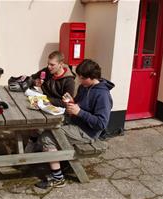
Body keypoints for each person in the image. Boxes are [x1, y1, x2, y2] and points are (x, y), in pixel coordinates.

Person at [35, 59, 114, 189]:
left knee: (47, 137)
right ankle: (60, 162)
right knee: (46, 127)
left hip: (87, 132)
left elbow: (101, 124)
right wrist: (72, 102)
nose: (79, 80)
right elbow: (79, 104)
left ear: (92, 77)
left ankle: (58, 178)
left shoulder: (103, 95)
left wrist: (80, 112)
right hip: (75, 123)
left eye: (82, 78)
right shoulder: (85, 86)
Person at [25, 51, 76, 153]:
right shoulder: (46, 72)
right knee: (32, 117)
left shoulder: (69, 81)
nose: (49, 67)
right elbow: (30, 78)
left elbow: (66, 103)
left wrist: (47, 100)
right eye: (48, 63)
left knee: (38, 123)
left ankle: (38, 148)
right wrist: (34, 82)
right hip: (45, 106)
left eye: (52, 65)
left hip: (60, 112)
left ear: (61, 64)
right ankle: (31, 144)